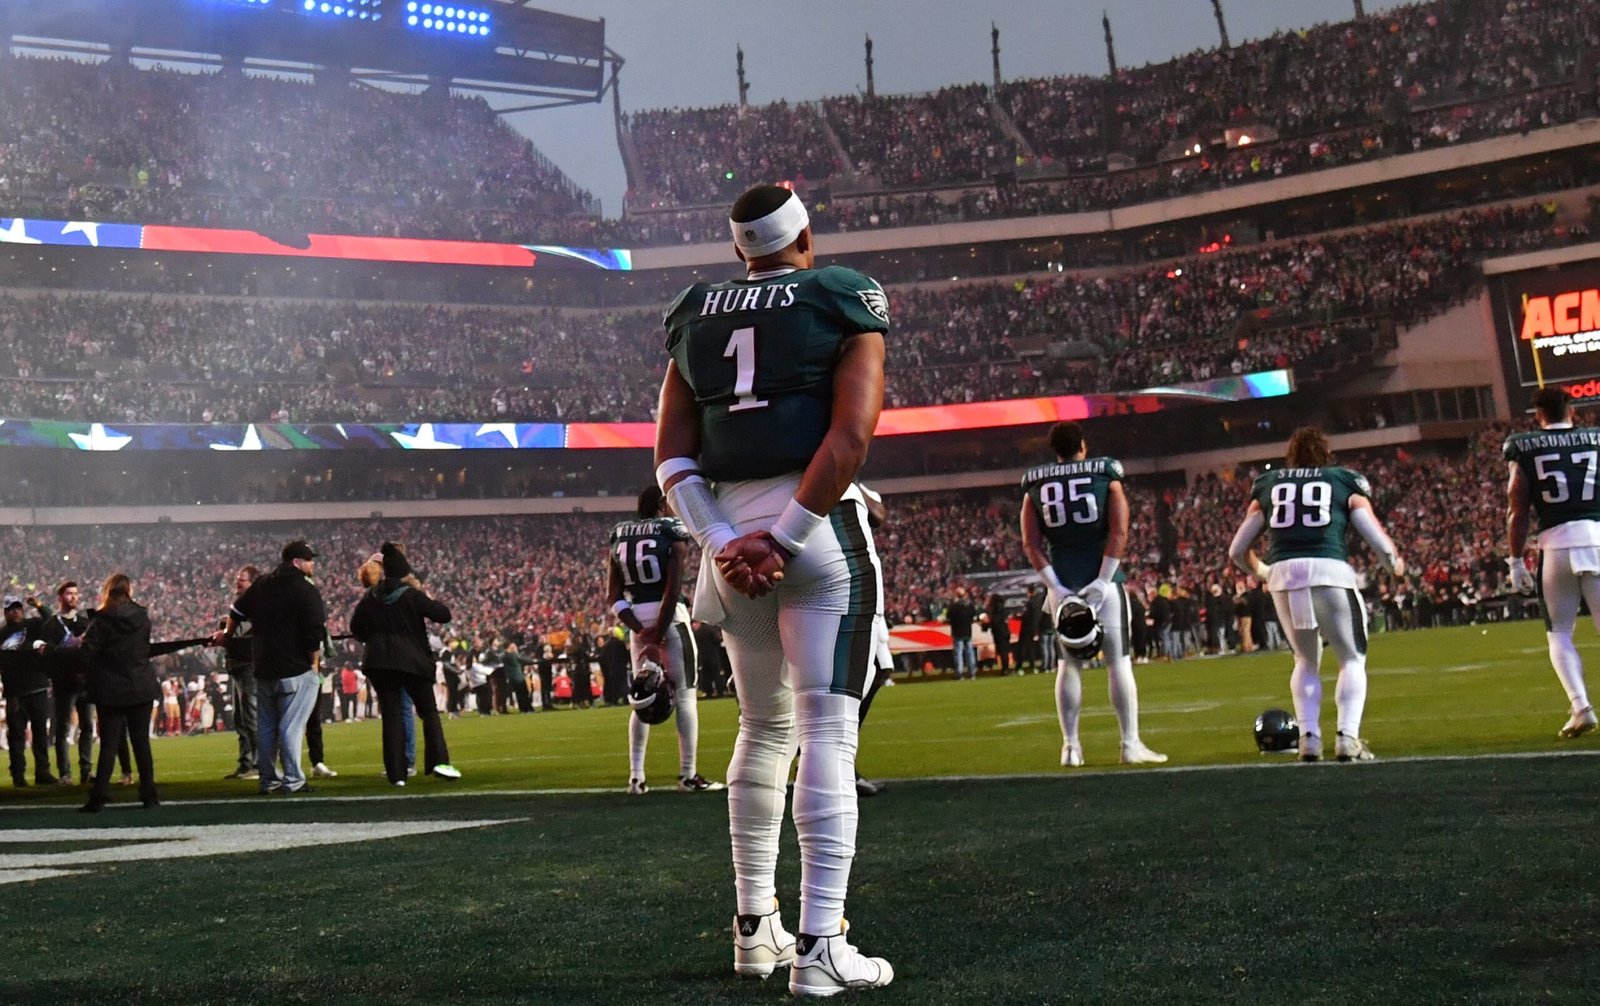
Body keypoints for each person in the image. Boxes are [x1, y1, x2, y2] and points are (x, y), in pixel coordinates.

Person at [655, 183, 893, 994]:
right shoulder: (840, 295)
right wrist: (784, 539)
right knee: (827, 733)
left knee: (761, 731)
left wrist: (725, 543)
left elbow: (671, 461)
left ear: (737, 251)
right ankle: (822, 943)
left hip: (726, 538)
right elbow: (852, 435)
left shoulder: (695, 310)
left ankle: (756, 930)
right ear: (806, 240)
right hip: (815, 530)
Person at [1229, 426, 1405, 762]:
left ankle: (1309, 739)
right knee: (1351, 658)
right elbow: (1377, 539)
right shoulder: (1342, 480)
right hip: (1329, 570)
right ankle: (1347, 737)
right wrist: (1393, 563)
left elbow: (1237, 550)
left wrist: (1263, 571)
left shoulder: (1270, 485)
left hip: (1283, 575)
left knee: (1305, 660)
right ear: (1326, 454)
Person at [1021, 421, 1167, 768]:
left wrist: (1055, 587)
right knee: (1118, 662)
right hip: (1104, 582)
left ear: (1054, 449)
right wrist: (1102, 580)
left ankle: (1070, 748)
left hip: (1063, 583)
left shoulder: (1035, 483)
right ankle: (1130, 743)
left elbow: (1031, 543)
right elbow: (1119, 530)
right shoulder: (1105, 472)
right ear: (1082, 445)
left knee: (1067, 664)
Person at [608, 485, 721, 795]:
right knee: (685, 695)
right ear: (661, 504)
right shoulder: (671, 532)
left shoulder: (620, 536)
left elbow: (613, 597)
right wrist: (657, 631)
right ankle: (688, 775)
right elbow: (672, 589)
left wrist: (640, 629)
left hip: (636, 620)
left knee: (641, 697)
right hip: (668, 619)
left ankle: (636, 778)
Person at [1504, 386, 1600, 738]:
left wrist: (1515, 560)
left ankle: (1580, 706)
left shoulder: (1524, 446)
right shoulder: (1595, 438)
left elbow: (1517, 509)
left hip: (1556, 546)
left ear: (1538, 415)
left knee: (1559, 633)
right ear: (1571, 410)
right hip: (1597, 537)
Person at [216, 540, 329, 794]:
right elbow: (314, 630)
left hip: (264, 667)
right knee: (291, 726)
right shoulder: (305, 588)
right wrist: (313, 663)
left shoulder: (263, 584)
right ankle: (293, 780)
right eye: (309, 559)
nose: (313, 564)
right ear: (296, 562)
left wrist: (228, 635)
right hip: (295, 667)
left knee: (266, 727)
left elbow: (236, 610)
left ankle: (268, 779)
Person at [350, 544, 461, 786]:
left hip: (379, 663)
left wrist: (375, 638)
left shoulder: (371, 598)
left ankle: (397, 774)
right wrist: (426, 596)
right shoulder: (410, 595)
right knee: (429, 713)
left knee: (391, 716)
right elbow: (443, 614)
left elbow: (356, 629)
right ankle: (439, 763)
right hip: (412, 662)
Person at [79, 573, 159, 812]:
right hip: (140, 685)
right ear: (128, 591)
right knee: (141, 743)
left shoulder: (101, 621)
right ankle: (149, 795)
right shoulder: (142, 617)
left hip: (111, 688)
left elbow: (87, 653)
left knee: (109, 744)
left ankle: (99, 795)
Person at [36, 582, 92, 785]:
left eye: (76, 594)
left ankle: (86, 771)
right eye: (69, 594)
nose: (74, 597)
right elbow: (47, 652)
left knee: (87, 727)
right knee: (63, 729)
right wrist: (70, 647)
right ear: (60, 597)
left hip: (85, 683)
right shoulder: (50, 625)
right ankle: (65, 774)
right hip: (64, 683)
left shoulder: (85, 623)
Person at [2, 595, 56, 786]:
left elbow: (51, 620)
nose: (15, 611)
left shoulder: (33, 625)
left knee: (41, 734)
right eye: (10, 609)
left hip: (37, 687)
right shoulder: (1, 634)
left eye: (17, 608)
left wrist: (39, 605)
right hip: (15, 693)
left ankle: (43, 772)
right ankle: (18, 775)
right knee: (16, 736)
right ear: (5, 612)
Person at [215, 566, 261, 779]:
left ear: (252, 582)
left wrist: (225, 631)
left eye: (241, 580)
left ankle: (259, 764)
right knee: (241, 718)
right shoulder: (242, 605)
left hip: (248, 666)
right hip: (237, 667)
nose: (237, 583)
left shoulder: (256, 605)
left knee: (250, 717)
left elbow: (243, 631)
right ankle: (246, 763)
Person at [943, 587, 976, 679]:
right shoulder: (969, 605)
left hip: (957, 632)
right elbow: (973, 615)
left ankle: (959, 673)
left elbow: (948, 616)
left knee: (959, 653)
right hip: (968, 631)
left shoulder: (954, 606)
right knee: (970, 652)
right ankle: (972, 672)